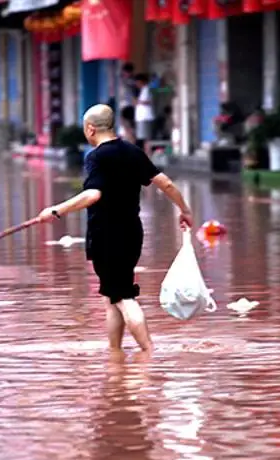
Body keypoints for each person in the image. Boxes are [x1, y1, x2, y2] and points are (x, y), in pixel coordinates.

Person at [37, 104, 194, 356]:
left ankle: (149, 352)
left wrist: (56, 210)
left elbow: (93, 194)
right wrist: (185, 210)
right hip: (132, 232)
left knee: (122, 297)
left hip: (106, 236)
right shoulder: (132, 151)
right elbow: (165, 182)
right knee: (113, 296)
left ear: (90, 129)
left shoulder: (96, 156)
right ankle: (115, 355)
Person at [133, 74, 154, 153]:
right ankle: (147, 154)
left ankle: (148, 154)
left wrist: (138, 102)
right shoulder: (142, 90)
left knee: (147, 138)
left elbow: (148, 101)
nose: (137, 84)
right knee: (143, 138)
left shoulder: (147, 89)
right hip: (141, 117)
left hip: (145, 117)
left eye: (138, 82)